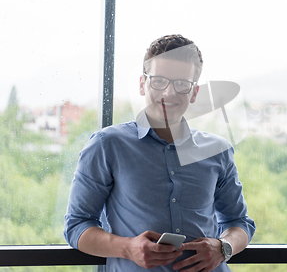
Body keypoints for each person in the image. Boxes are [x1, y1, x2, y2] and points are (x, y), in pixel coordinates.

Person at [64, 34, 255, 271]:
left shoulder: (218, 151)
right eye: (159, 81)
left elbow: (239, 222)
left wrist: (223, 246)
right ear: (142, 84)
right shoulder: (107, 145)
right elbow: (77, 226)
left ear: (194, 92)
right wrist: (128, 248)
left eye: (182, 84)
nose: (168, 93)